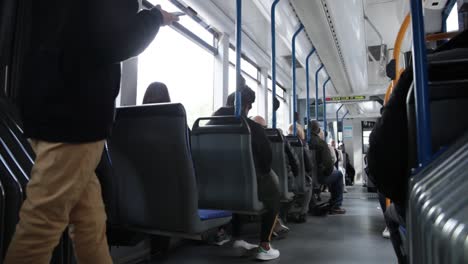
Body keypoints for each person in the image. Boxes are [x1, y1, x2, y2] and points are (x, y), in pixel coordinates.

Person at [4, 2, 179, 263]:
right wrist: (155, 18)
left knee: (89, 222)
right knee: (41, 224)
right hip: (74, 114)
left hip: (45, 104)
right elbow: (116, 40)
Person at [213, 85, 281, 261]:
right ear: (246, 106)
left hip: (214, 187)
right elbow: (266, 163)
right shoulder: (253, 128)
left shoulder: (208, 125)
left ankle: (237, 238)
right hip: (244, 186)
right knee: (273, 187)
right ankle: (264, 245)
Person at [308, 121, 346, 214]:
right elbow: (328, 163)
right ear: (318, 130)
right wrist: (327, 173)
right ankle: (335, 204)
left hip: (304, 176)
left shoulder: (304, 141)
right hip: (318, 177)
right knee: (339, 175)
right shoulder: (321, 143)